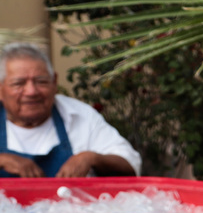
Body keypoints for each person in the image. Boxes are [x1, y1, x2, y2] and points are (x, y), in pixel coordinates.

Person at [0, 42, 140, 178]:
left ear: (54, 82)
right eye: (18, 83)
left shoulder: (80, 115)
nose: (31, 91)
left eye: (41, 81)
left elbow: (131, 164)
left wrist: (92, 158)